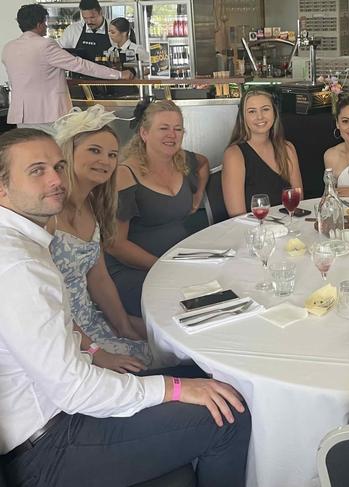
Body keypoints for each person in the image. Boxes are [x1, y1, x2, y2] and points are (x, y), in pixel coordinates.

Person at [0, 128, 250, 486]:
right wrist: (175, 390)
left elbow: (56, 330)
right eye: (37, 170)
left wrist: (105, 352)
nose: (56, 179)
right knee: (230, 414)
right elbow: (74, 389)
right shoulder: (18, 266)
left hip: (64, 413)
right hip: (50, 445)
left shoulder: (23, 242)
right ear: (2, 186)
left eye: (57, 166)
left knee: (209, 380)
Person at [49, 105, 152, 367]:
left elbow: (99, 277)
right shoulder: (46, 214)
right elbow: (46, 303)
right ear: (68, 153)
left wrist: (123, 325)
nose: (105, 161)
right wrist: (97, 353)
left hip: (92, 322)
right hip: (61, 337)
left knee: (167, 344)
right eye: (94, 151)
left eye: (112, 155)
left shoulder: (92, 205)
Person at [105, 100, 209, 317]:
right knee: (193, 309)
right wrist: (162, 267)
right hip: (136, 270)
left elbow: (204, 163)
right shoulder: (125, 174)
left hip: (177, 261)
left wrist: (198, 195)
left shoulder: (182, 160)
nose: (172, 135)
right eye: (163, 128)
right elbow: (115, 244)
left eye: (177, 129)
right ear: (144, 133)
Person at [1, 4, 132, 132]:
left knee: (30, 152)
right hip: (49, 114)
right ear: (39, 24)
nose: (46, 26)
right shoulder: (45, 45)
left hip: (22, 115)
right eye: (45, 22)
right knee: (58, 151)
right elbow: (80, 65)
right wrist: (118, 74)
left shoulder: (8, 47)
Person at [222, 89, 303, 216]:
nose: (260, 116)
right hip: (253, 231)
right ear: (243, 117)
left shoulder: (287, 148)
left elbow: (298, 202)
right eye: (252, 111)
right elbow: (236, 216)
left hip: (288, 228)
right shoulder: (234, 155)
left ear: (274, 112)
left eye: (265, 109)